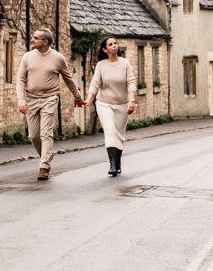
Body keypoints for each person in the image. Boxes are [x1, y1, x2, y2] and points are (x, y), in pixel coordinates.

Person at [16, 27, 84, 181]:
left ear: (45, 42)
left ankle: (44, 166)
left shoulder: (58, 58)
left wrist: (78, 96)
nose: (32, 39)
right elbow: (20, 79)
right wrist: (21, 100)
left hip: (50, 98)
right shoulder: (27, 57)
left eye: (36, 38)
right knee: (34, 135)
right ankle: (46, 155)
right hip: (31, 99)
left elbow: (68, 78)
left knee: (46, 132)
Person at [83, 36, 136, 176]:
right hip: (104, 103)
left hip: (122, 104)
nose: (114, 46)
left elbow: (131, 82)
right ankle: (112, 164)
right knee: (110, 130)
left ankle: (117, 162)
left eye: (115, 43)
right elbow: (95, 83)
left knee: (119, 133)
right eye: (110, 44)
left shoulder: (125, 64)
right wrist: (89, 99)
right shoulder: (101, 65)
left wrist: (132, 100)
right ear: (105, 49)